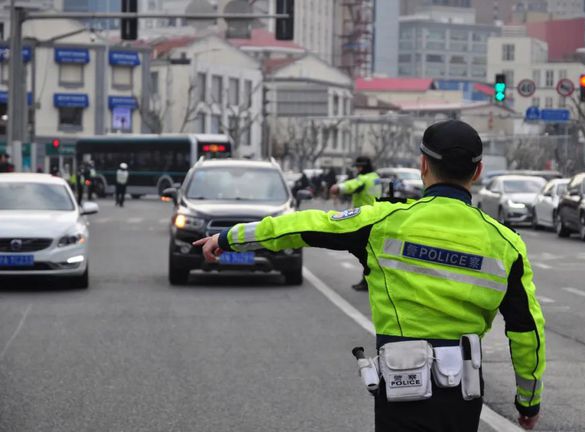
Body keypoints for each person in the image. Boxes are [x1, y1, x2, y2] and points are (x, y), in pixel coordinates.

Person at [194, 120, 546, 432]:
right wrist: (527, 402)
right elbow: (527, 330)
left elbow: (306, 225)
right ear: (478, 171)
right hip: (462, 391)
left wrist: (229, 237)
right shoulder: (506, 244)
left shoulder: (385, 222)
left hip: (403, 382)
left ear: (423, 165)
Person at [330, 155, 381, 291]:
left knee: (365, 253)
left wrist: (338, 188)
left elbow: (351, 185)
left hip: (364, 220)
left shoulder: (363, 179)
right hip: (377, 216)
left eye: (359, 166)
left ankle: (367, 281)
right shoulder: (375, 177)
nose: (357, 169)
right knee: (371, 253)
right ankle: (369, 280)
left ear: (363, 166)